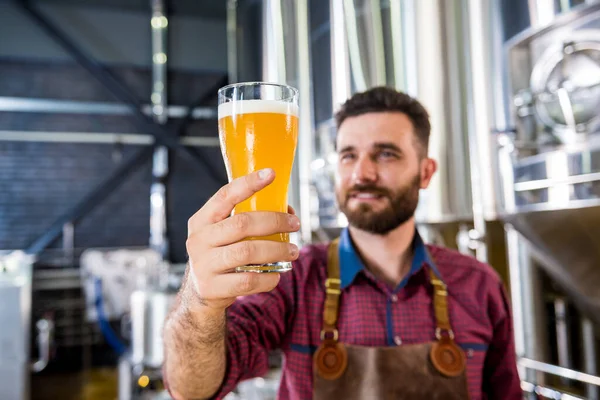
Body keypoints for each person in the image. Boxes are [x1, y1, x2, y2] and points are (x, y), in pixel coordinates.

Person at [162, 87, 522, 400]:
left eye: (385, 154)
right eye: (348, 155)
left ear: (425, 173)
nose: (361, 173)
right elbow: (193, 390)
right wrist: (200, 303)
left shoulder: (479, 285)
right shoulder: (293, 277)